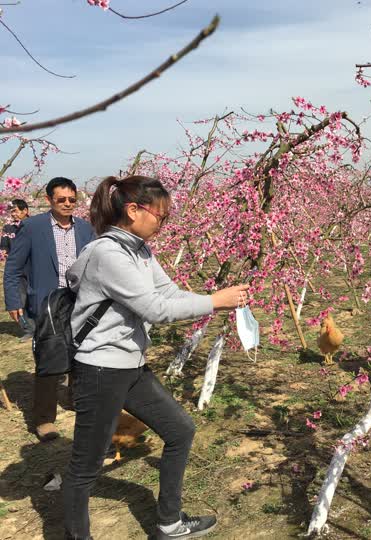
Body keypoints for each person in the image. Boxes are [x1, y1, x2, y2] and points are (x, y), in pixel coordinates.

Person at [62, 175, 250, 540]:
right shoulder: (108, 253)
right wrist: (215, 301)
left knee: (180, 429)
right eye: (160, 216)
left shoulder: (138, 250)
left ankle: (169, 523)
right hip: (101, 369)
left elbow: (168, 292)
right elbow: (154, 309)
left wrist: (213, 297)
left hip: (130, 365)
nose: (163, 224)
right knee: (86, 466)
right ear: (133, 210)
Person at [3, 178, 95, 441]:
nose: (67, 204)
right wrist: (14, 300)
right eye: (61, 199)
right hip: (46, 301)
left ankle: (77, 399)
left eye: (71, 200)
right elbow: (13, 267)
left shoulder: (85, 229)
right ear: (49, 200)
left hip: (79, 300)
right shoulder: (32, 227)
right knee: (48, 357)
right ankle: (44, 419)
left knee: (83, 352)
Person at [1, 199, 33, 339]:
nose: (13, 214)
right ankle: (28, 329)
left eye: (15, 210)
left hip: (33, 267)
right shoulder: (8, 228)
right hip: (16, 270)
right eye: (11, 211)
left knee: (35, 298)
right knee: (20, 299)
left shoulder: (34, 226)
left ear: (25, 210)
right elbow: (4, 247)